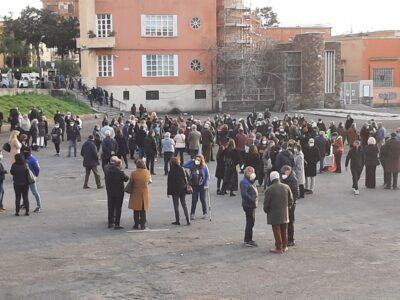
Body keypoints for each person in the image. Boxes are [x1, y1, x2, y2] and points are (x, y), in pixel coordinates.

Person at [263, 171, 293, 254]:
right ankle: (284, 246)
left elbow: (266, 204)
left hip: (274, 214)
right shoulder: (286, 187)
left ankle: (279, 247)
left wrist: (266, 210)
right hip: (285, 212)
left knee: (277, 230)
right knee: (284, 230)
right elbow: (291, 200)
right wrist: (288, 208)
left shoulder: (269, 189)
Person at [104, 156, 129, 229]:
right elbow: (126, 179)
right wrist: (121, 170)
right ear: (119, 165)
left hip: (110, 191)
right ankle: (117, 224)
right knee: (118, 208)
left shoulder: (107, 170)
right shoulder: (120, 173)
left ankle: (110, 222)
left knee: (110, 207)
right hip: (119, 192)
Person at [183, 154, 209, 220]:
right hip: (194, 185)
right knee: (194, 200)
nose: (197, 161)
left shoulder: (204, 166)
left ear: (201, 160)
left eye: (198, 160)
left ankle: (205, 213)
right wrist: (191, 160)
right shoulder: (192, 166)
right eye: (196, 159)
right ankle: (192, 214)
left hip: (202, 186)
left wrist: (206, 184)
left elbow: (207, 176)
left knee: (203, 199)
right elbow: (184, 165)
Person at [128, 159, 151, 230]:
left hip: (135, 192)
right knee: (143, 210)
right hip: (144, 192)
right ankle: (143, 225)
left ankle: (136, 224)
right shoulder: (147, 172)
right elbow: (149, 181)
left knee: (136, 210)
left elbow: (131, 181)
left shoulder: (133, 173)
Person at [167, 157, 190, 226]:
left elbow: (169, 183)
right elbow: (187, 178)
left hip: (174, 190)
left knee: (176, 206)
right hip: (183, 189)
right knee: (184, 205)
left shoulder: (171, 171)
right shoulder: (183, 169)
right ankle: (188, 220)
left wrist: (168, 192)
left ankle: (177, 220)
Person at [280, 165, 299, 247]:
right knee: (283, 222)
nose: (282, 174)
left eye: (284, 173)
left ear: (288, 171)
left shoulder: (293, 180)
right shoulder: (283, 178)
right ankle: (284, 238)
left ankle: (291, 239)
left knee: (290, 222)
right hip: (283, 204)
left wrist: (290, 204)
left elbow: (296, 194)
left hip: (290, 205)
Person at [240, 166, 259, 247]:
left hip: (251, 204)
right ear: (246, 172)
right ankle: (248, 240)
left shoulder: (249, 180)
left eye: (253, 172)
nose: (252, 173)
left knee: (251, 222)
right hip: (248, 205)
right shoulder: (244, 182)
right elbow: (244, 194)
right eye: (250, 172)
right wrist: (252, 199)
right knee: (250, 222)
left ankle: (248, 239)